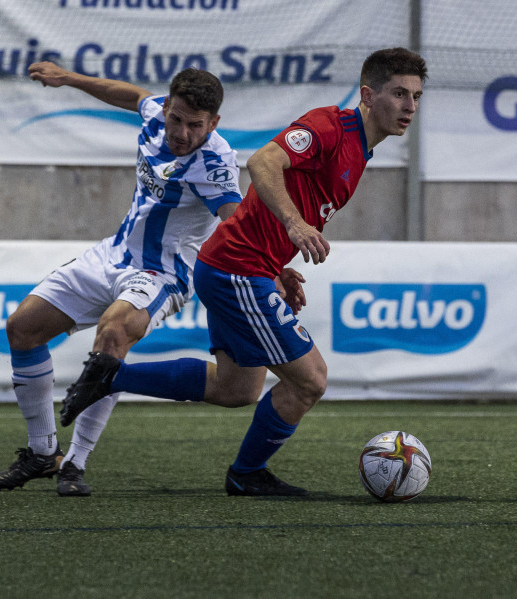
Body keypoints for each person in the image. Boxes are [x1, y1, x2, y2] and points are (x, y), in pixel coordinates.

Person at [60, 47, 428, 496]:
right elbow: (262, 162)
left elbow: (274, 203)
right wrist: (295, 226)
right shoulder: (330, 126)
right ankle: (247, 473)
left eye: (415, 96)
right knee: (311, 380)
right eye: (399, 93)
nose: (409, 106)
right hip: (236, 269)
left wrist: (279, 266)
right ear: (368, 95)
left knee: (237, 388)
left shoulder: (362, 148)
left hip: (241, 266)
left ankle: (110, 376)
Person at [0, 61, 243, 496]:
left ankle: (75, 464)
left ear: (213, 122)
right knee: (22, 328)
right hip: (112, 254)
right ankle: (41, 453)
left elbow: (237, 222)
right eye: (175, 119)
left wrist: (276, 270)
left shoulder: (216, 163)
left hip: (162, 273)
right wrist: (68, 78)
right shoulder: (158, 114)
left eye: (194, 126)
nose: (180, 132)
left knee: (114, 334)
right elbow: (130, 95)